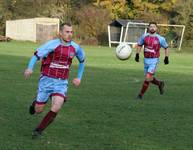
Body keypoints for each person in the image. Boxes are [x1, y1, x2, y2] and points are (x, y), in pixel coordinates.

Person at [24, 22, 85, 138]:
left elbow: (82, 61)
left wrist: (79, 77)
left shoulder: (76, 48)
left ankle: (39, 130)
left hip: (61, 82)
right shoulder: (52, 45)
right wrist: (29, 68)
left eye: (71, 32)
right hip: (46, 80)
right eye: (67, 32)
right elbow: (36, 56)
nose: (70, 34)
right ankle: (35, 103)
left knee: (57, 106)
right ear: (60, 33)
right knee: (38, 110)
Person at [135, 21, 169, 99]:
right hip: (146, 60)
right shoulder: (144, 37)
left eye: (154, 26)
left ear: (156, 28)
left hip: (154, 60)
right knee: (149, 78)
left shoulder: (160, 39)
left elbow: (166, 47)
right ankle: (160, 83)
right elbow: (139, 45)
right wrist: (137, 54)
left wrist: (166, 57)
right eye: (151, 26)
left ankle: (140, 95)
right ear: (148, 28)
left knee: (147, 77)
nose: (152, 28)